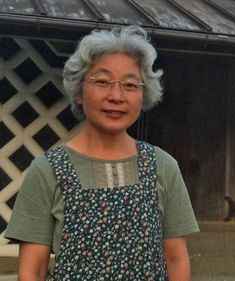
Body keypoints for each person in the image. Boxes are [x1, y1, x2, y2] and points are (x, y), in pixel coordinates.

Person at [5, 25, 199, 280]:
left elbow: (176, 258)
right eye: (103, 82)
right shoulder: (47, 170)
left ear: (144, 95)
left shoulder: (162, 166)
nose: (116, 96)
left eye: (130, 85)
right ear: (79, 92)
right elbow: (33, 270)